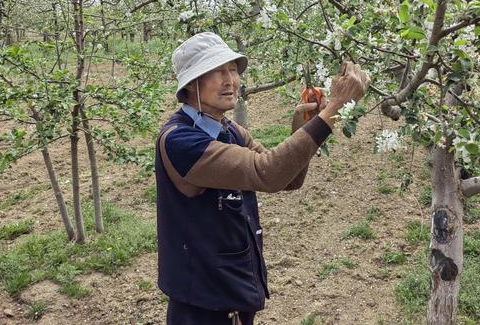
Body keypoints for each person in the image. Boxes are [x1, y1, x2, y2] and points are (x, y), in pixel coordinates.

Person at [155, 32, 369, 325]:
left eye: (232, 69)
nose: (230, 79)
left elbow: (288, 180)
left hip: (234, 294)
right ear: (192, 84)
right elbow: (266, 172)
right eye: (217, 71)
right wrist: (335, 109)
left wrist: (302, 128)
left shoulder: (229, 131)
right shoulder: (181, 142)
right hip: (203, 305)